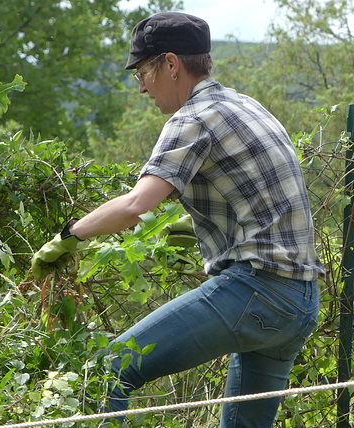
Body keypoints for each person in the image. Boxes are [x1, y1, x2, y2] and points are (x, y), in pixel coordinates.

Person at [30, 11, 325, 428]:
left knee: (108, 370)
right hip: (300, 302)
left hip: (258, 290)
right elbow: (257, 198)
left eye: (142, 74)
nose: (141, 88)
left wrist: (67, 237)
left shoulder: (192, 118)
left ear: (171, 64)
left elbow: (136, 204)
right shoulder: (245, 105)